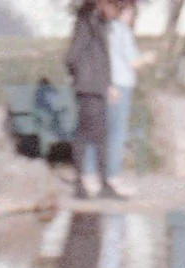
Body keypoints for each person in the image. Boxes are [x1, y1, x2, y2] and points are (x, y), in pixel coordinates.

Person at [65, 0, 113, 200]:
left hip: (97, 87)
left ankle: (103, 183)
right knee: (85, 136)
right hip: (89, 88)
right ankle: (81, 185)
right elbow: (72, 56)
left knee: (99, 136)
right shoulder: (86, 22)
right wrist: (83, 78)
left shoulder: (98, 22)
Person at [103, 0, 139, 198]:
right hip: (122, 84)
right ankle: (113, 174)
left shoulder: (107, 30)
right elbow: (132, 61)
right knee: (118, 131)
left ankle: (105, 172)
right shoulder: (123, 32)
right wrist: (148, 58)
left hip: (110, 84)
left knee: (110, 129)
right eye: (130, 13)